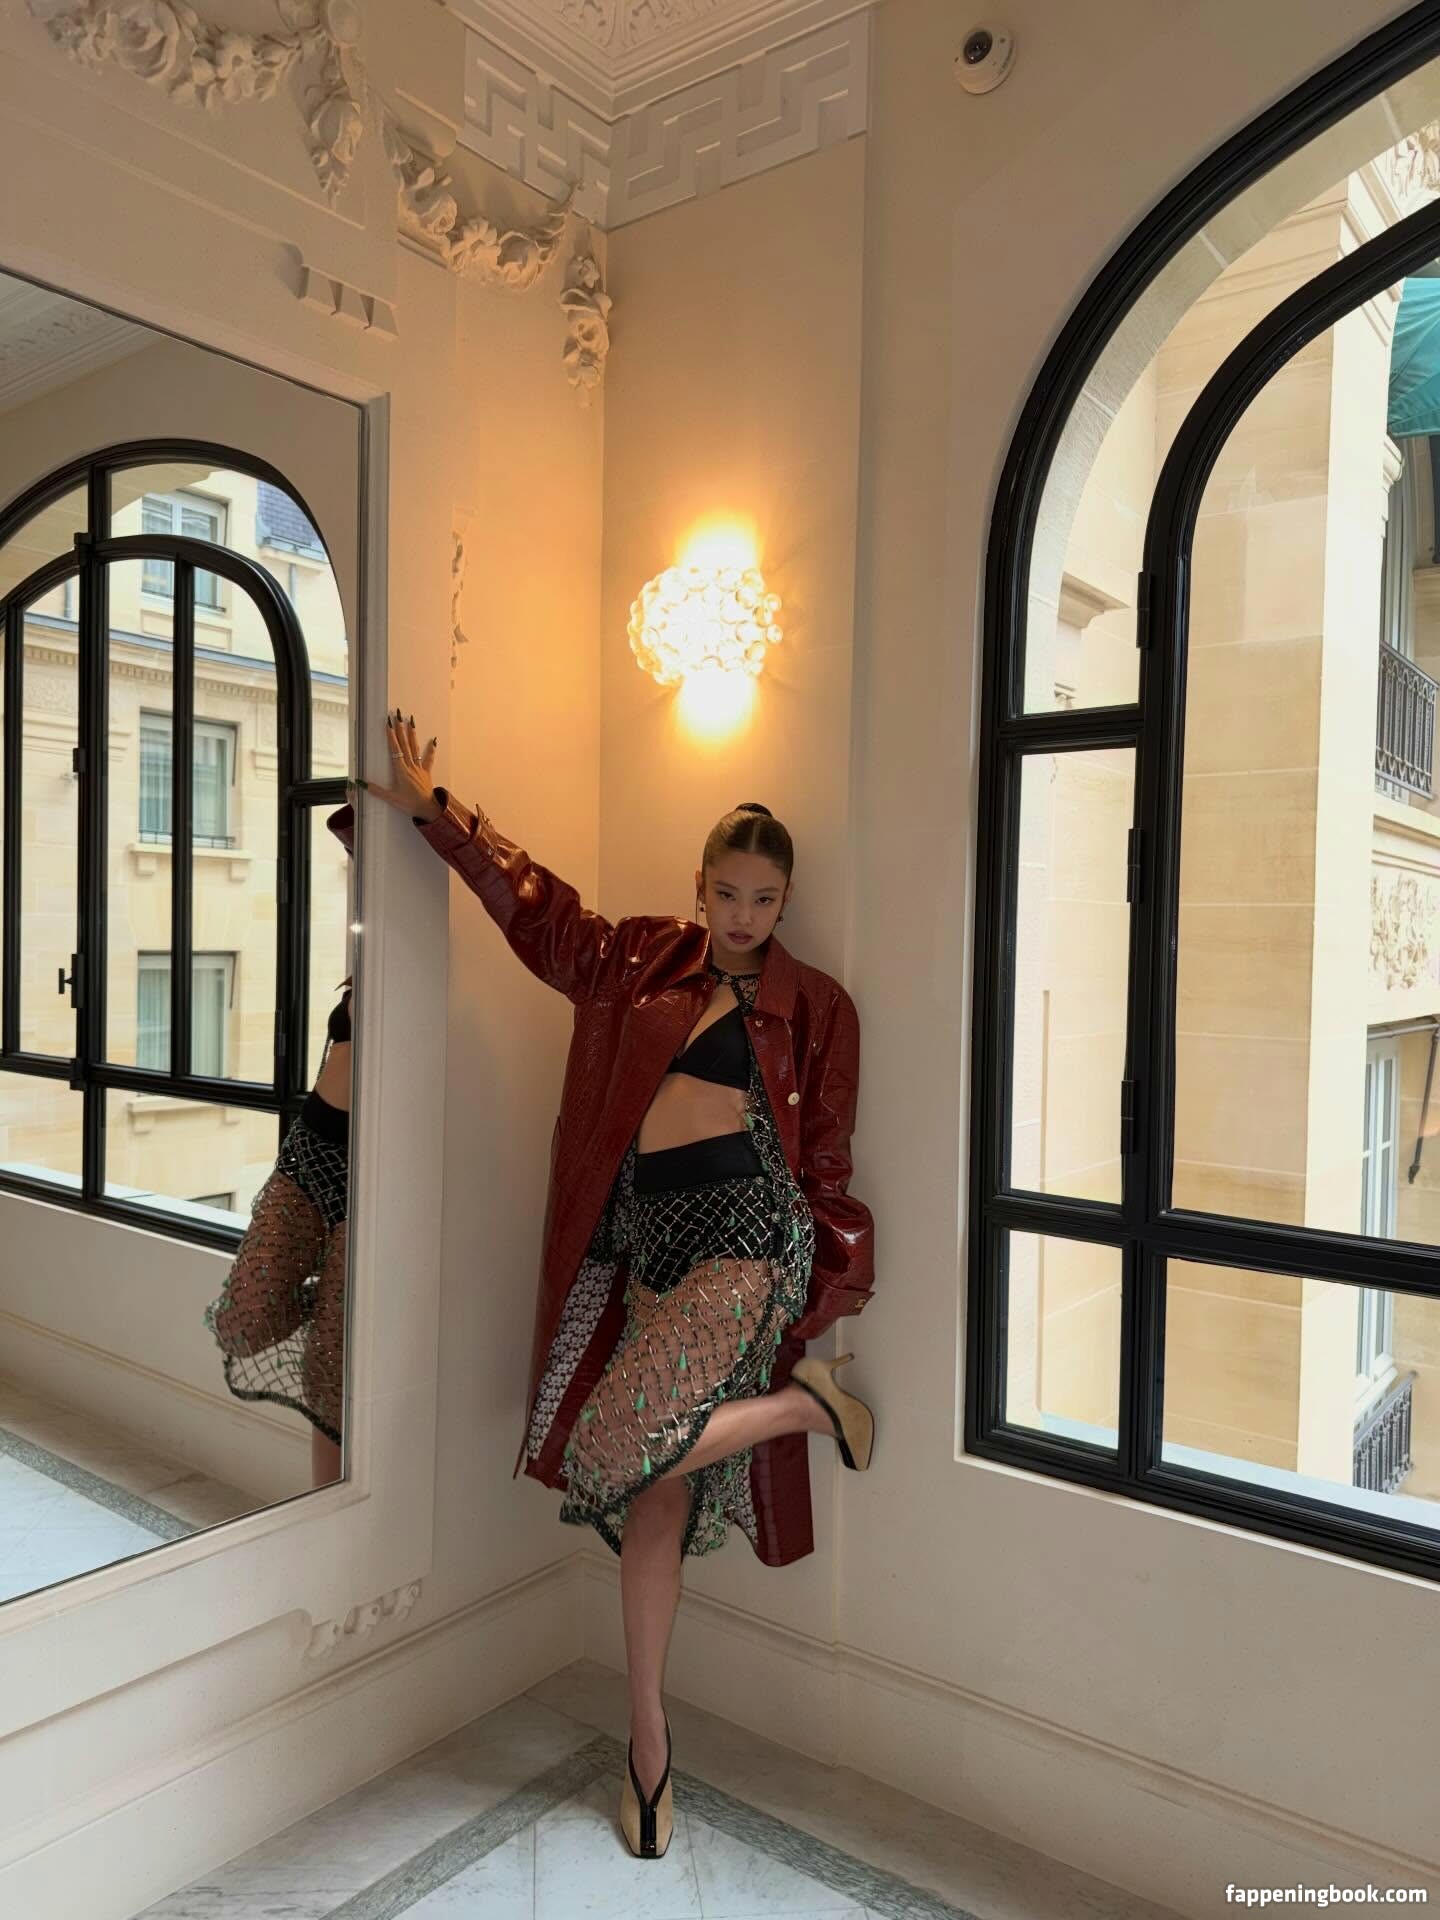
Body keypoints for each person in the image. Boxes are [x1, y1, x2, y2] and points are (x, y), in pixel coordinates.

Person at [360, 710, 876, 1861]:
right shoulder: (640, 959)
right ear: (700, 885)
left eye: (764, 900)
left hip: (747, 1246)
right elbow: (540, 917)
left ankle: (804, 1404)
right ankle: (648, 1746)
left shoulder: (819, 1008)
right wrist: (441, 814)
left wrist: (827, 1299)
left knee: (608, 1449)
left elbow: (828, 1166)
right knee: (651, 1495)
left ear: (784, 903)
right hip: (651, 1251)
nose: (743, 915)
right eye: (728, 892)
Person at [202, 801, 355, 1491]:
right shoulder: (368, 943)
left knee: (331, 1382)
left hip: (375, 1177)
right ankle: (334, 1303)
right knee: (243, 1317)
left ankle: (328, 1518)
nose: (355, 870)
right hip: (311, 1151)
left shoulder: (423, 954)